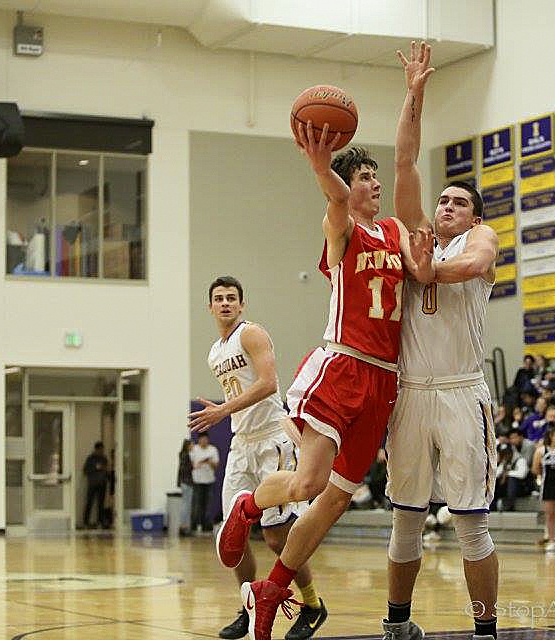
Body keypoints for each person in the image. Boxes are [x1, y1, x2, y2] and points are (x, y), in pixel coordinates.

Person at [213, 86, 433, 640]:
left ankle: (275, 587)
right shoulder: (344, 228)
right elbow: (334, 202)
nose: (375, 185)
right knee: (308, 483)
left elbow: (421, 267)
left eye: (376, 178)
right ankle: (246, 506)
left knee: (335, 500)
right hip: (341, 366)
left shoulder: (397, 232)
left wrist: (413, 96)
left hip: (385, 379)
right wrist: (320, 167)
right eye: (365, 178)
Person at [380, 40, 501, 640]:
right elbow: (404, 163)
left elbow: (474, 266)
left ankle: (486, 629)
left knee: (470, 523)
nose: (447, 205)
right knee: (404, 519)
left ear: (474, 216)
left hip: (460, 393)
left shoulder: (480, 241)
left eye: (459, 202)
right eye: (444, 199)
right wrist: (416, 92)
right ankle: (397, 624)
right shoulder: (415, 239)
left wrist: (430, 272)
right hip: (411, 393)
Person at [190, 275, 326, 639]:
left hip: (271, 440)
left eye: (231, 298)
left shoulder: (251, 334)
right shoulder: (214, 351)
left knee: (278, 538)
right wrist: (227, 415)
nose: (225, 303)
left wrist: (221, 411)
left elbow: (268, 383)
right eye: (218, 298)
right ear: (209, 306)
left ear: (241, 304)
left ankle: (312, 605)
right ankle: (247, 607)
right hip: (241, 444)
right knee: (233, 535)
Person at [189, 433, 219, 534]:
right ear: (199, 440)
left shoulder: (213, 449)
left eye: (206, 439)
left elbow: (216, 465)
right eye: (202, 439)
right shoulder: (194, 449)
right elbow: (191, 464)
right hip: (197, 480)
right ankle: (194, 525)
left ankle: (206, 525)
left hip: (209, 480)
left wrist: (209, 462)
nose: (204, 441)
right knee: (197, 504)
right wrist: (200, 463)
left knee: (207, 504)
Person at [82, 441, 109, 529]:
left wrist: (106, 475)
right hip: (93, 484)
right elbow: (85, 471)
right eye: (100, 449)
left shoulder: (104, 459)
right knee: (89, 503)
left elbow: (106, 470)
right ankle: (86, 522)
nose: (101, 451)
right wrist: (96, 468)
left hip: (102, 484)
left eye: (102, 450)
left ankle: (100, 521)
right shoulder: (90, 459)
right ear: (96, 449)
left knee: (101, 504)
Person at [177, 439, 194, 536]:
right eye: (192, 445)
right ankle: (185, 526)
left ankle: (184, 526)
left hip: (184, 482)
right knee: (186, 505)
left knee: (185, 504)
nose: (193, 447)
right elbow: (187, 469)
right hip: (187, 483)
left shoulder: (182, 455)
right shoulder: (186, 456)